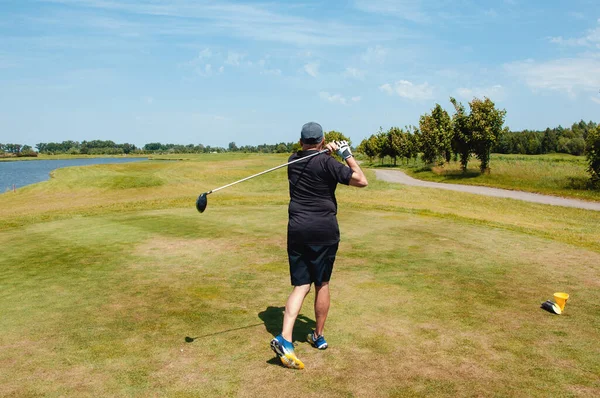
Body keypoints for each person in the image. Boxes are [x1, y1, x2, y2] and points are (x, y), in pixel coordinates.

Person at [270, 122, 368, 369]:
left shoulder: (292, 160)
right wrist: (346, 155)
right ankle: (317, 336)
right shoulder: (327, 162)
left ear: (301, 141)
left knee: (301, 285)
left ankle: (286, 337)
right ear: (323, 140)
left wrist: (326, 152)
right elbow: (361, 180)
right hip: (323, 230)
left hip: (298, 229)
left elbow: (311, 158)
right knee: (321, 282)